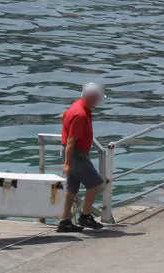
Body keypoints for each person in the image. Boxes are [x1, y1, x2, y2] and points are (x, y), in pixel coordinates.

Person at [57, 82, 106, 232]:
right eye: (96, 99)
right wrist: (67, 163)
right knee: (95, 185)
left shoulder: (77, 106)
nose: (98, 103)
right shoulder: (80, 115)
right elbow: (72, 141)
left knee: (72, 189)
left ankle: (65, 220)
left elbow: (65, 117)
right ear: (90, 98)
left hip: (72, 154)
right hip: (76, 155)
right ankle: (85, 216)